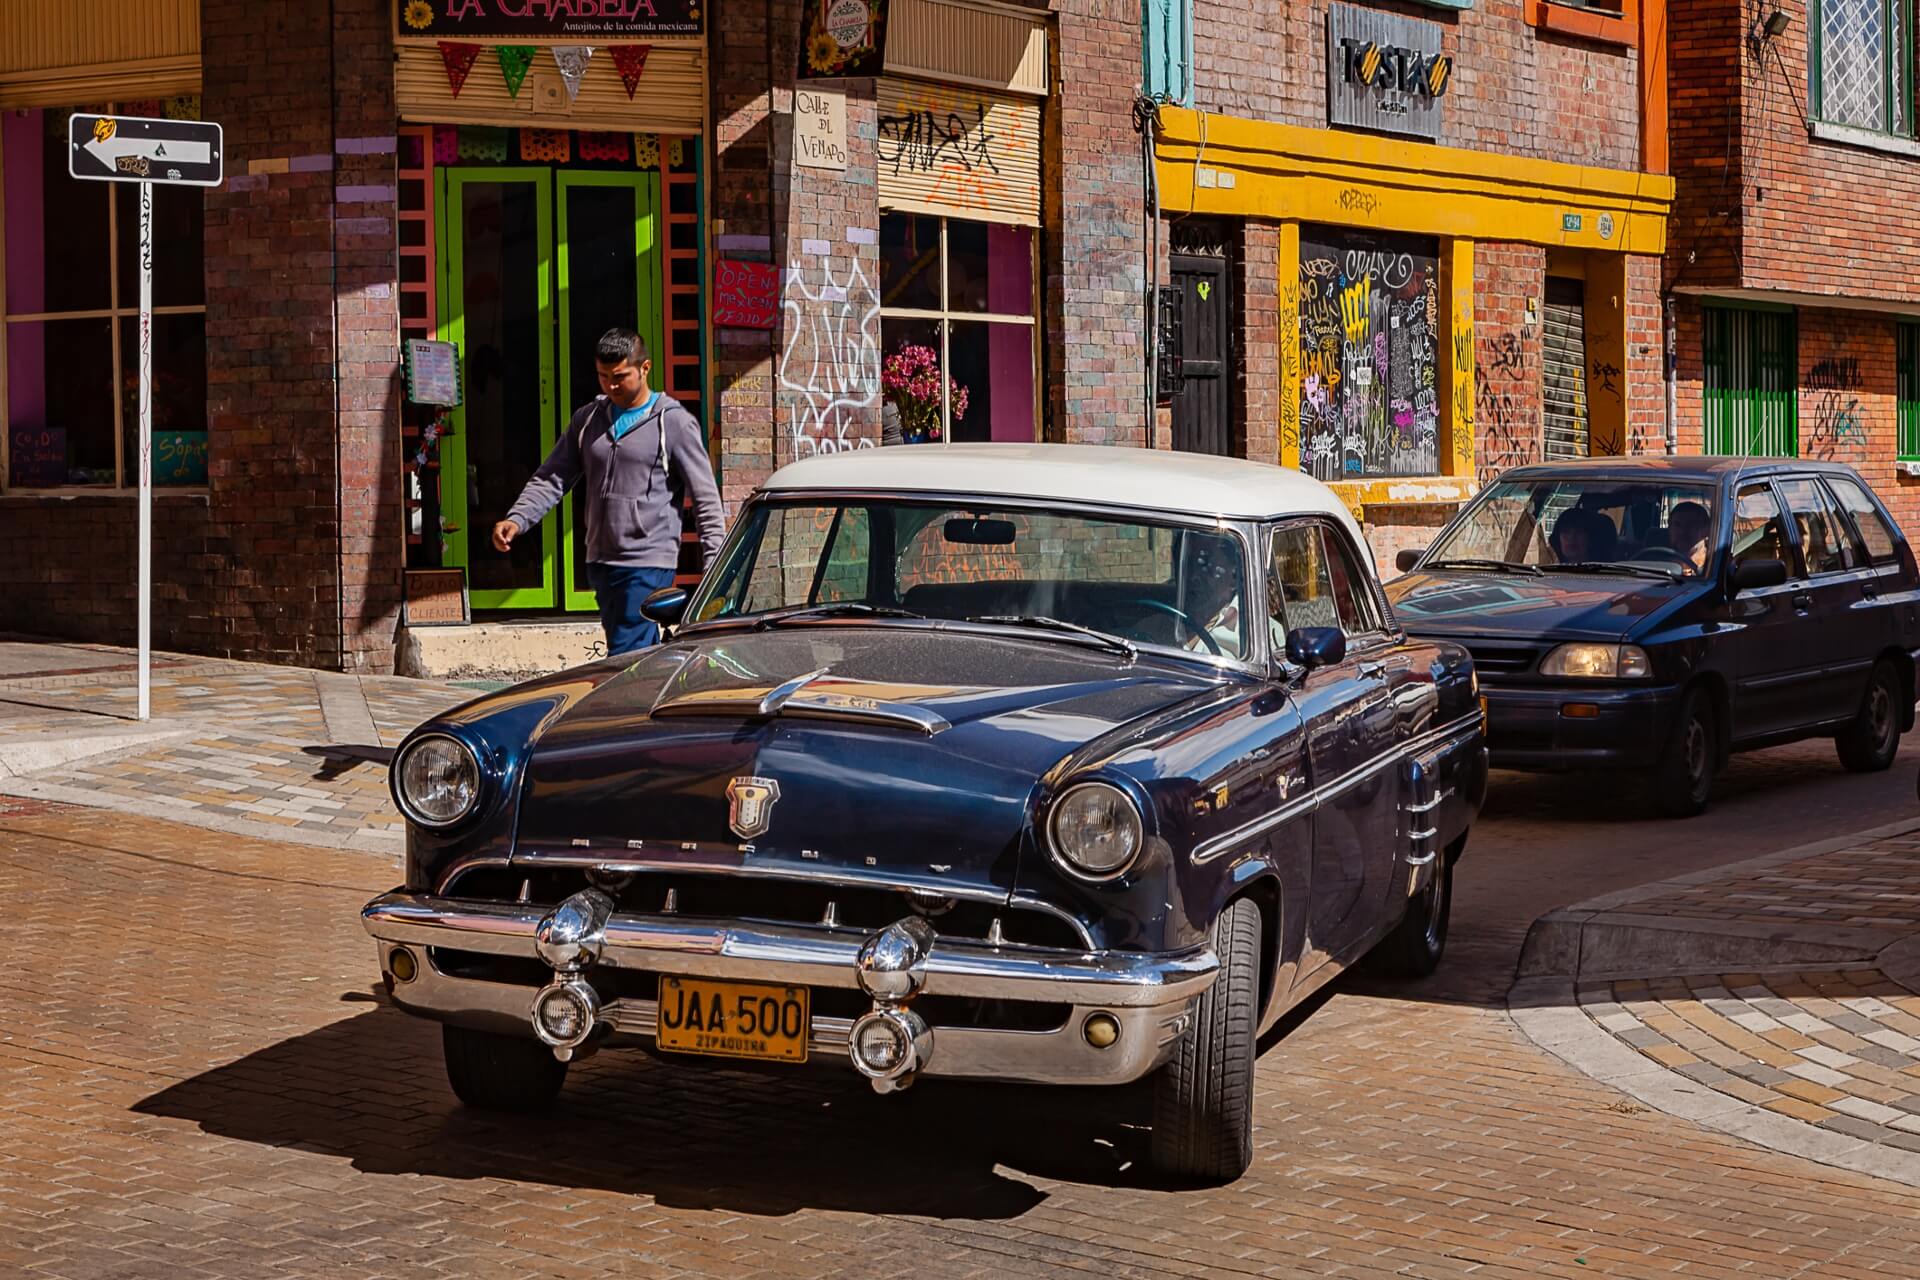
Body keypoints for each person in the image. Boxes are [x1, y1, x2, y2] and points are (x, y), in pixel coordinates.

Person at [492, 328, 726, 656]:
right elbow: (553, 476)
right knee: (636, 652)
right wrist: (517, 519)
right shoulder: (588, 420)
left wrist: (715, 565)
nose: (610, 386)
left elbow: (705, 498)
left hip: (647, 560)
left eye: (619, 377)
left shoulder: (673, 423)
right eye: (603, 377)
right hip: (601, 561)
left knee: (626, 653)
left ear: (645, 368)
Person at [1667, 501, 1711, 575]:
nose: (1682, 531)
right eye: (1677, 525)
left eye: (1691, 525)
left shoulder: (1715, 566)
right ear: (1669, 529)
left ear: (1706, 531)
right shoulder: (1657, 564)